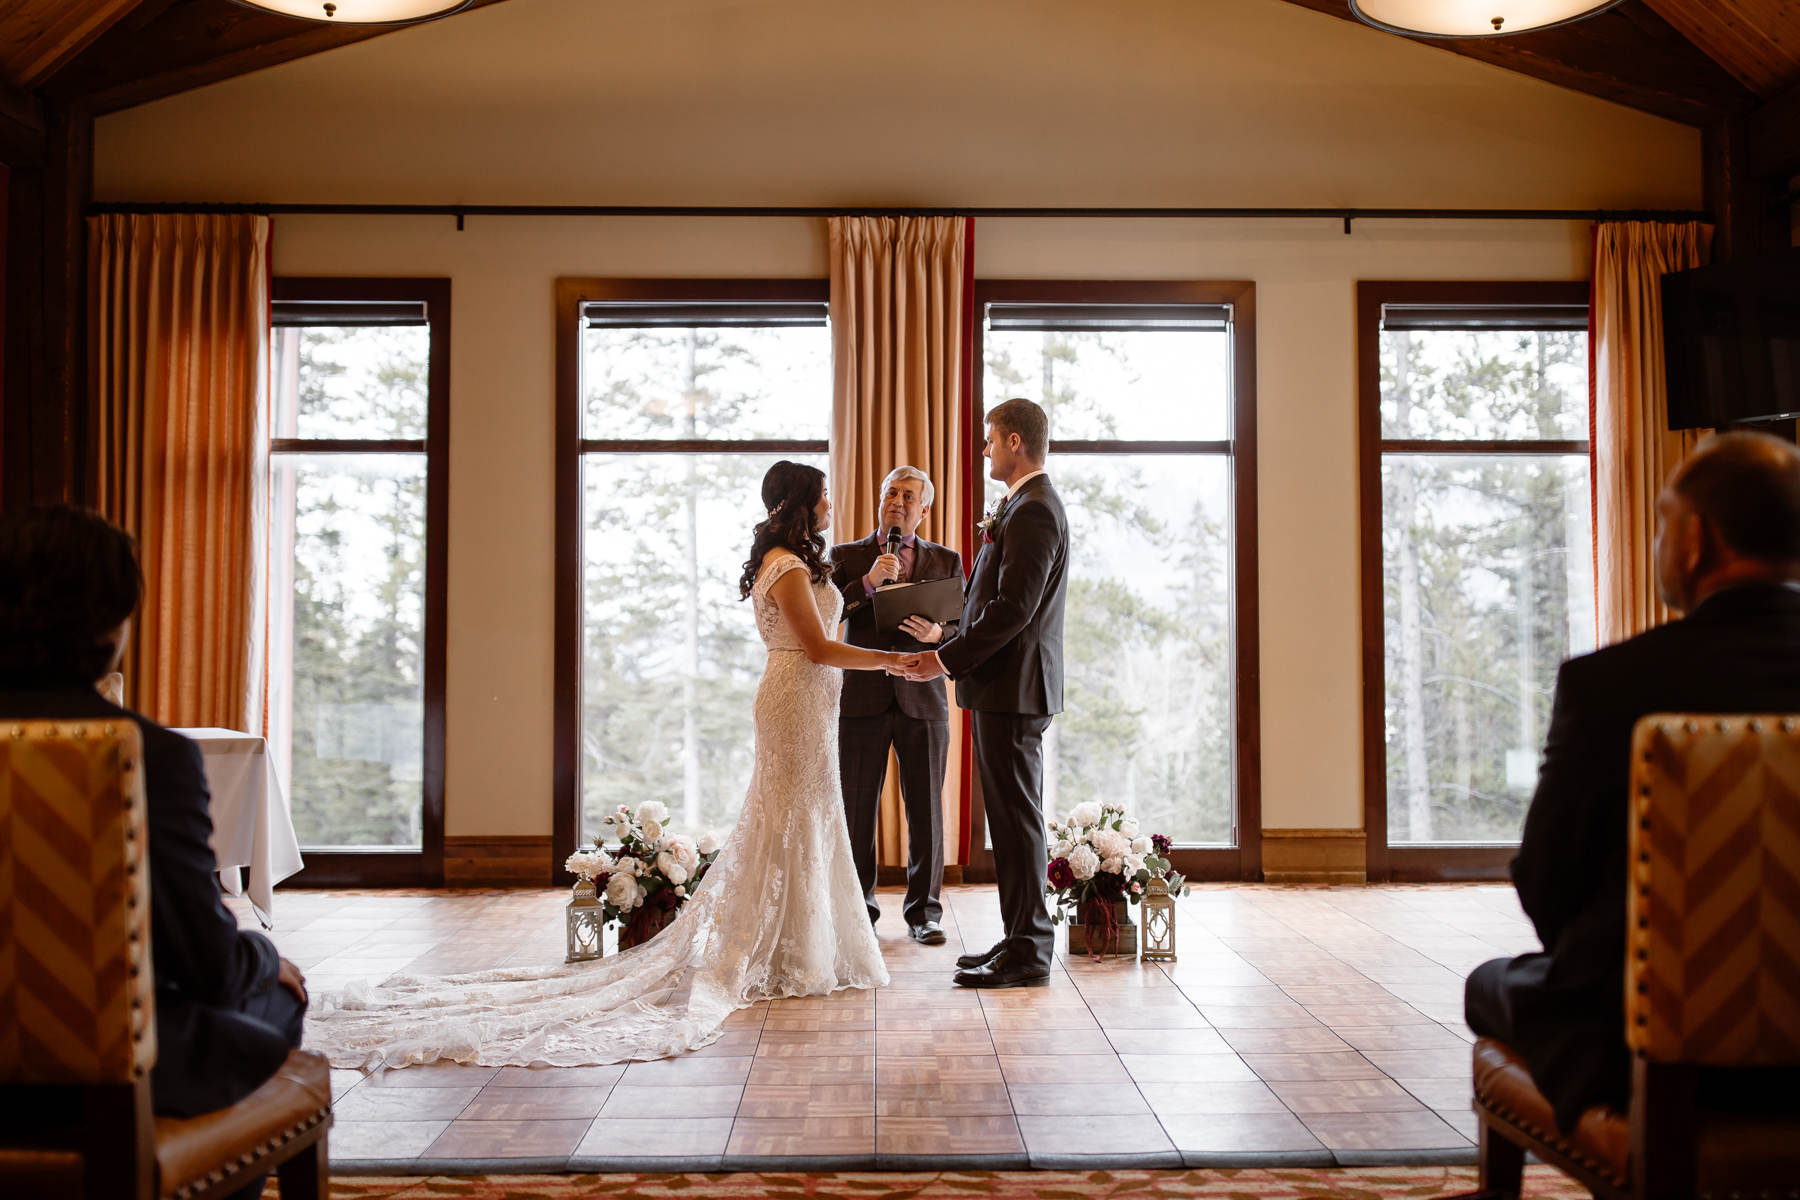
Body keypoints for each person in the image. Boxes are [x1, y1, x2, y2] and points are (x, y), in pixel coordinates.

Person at [306, 461, 899, 1069]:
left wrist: (864, 597)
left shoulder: (793, 564)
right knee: (790, 814)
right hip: (796, 698)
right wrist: (892, 661)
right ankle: (785, 949)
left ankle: (799, 942)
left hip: (813, 698)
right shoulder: (787, 565)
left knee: (808, 812)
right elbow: (818, 645)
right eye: (824, 496)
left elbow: (824, 628)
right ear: (802, 504)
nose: (832, 504)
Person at [1464, 431, 1800, 1132]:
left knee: (1491, 983)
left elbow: (1548, 882)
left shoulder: (1612, 685)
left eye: (1660, 521)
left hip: (1651, 1045)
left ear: (1694, 541)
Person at [0, 506, 308, 1198]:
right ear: (112, 626)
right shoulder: (146, 755)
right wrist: (267, 958)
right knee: (275, 999)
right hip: (104, 1084)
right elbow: (204, 965)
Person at [901, 398, 1068, 989]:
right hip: (1002, 688)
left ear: (1016, 441)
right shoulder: (1021, 505)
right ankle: (1020, 938)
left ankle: (1030, 951)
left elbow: (1013, 610)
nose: (985, 450)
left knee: (1018, 820)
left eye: (990, 440)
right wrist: (950, 642)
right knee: (1010, 818)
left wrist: (944, 657)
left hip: (1014, 689)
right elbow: (987, 604)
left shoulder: (1036, 510)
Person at [830, 466, 966, 944]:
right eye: (891, 492)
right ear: (880, 499)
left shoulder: (947, 559)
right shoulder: (846, 556)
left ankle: (924, 914)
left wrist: (939, 636)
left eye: (909, 496)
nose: (898, 501)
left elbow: (965, 626)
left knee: (926, 809)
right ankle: (858, 912)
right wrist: (867, 582)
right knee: (856, 808)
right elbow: (828, 615)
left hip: (923, 698)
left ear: (924, 510)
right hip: (862, 698)